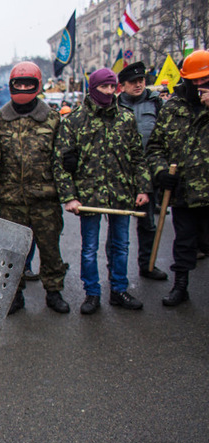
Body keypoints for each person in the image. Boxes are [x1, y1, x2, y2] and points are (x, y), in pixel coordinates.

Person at [54, 68, 151, 314]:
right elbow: (61, 162)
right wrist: (69, 196)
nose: (109, 92)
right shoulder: (75, 120)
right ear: (93, 89)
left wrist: (143, 188)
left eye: (112, 87)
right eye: (103, 88)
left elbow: (138, 157)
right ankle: (92, 293)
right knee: (89, 249)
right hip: (89, 196)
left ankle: (119, 289)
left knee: (121, 245)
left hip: (121, 194)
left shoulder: (126, 118)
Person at [0, 61, 70, 315]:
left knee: (50, 248)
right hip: (12, 199)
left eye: (28, 84)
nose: (23, 87)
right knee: (12, 254)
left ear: (37, 86)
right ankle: (14, 296)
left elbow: (61, 160)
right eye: (19, 83)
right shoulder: (0, 120)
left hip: (45, 197)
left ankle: (54, 292)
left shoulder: (52, 119)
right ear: (12, 85)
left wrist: (69, 194)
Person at [146, 50, 209, 306]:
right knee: (183, 243)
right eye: (195, 81)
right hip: (183, 191)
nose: (199, 86)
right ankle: (180, 287)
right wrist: (161, 172)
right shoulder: (172, 107)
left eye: (204, 81)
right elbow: (155, 147)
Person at [118, 61, 168, 282]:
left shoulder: (156, 104)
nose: (138, 85)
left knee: (147, 223)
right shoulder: (114, 105)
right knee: (119, 226)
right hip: (120, 173)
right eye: (133, 82)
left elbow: (166, 136)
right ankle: (117, 274)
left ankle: (147, 265)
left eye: (141, 81)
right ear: (123, 85)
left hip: (148, 172)